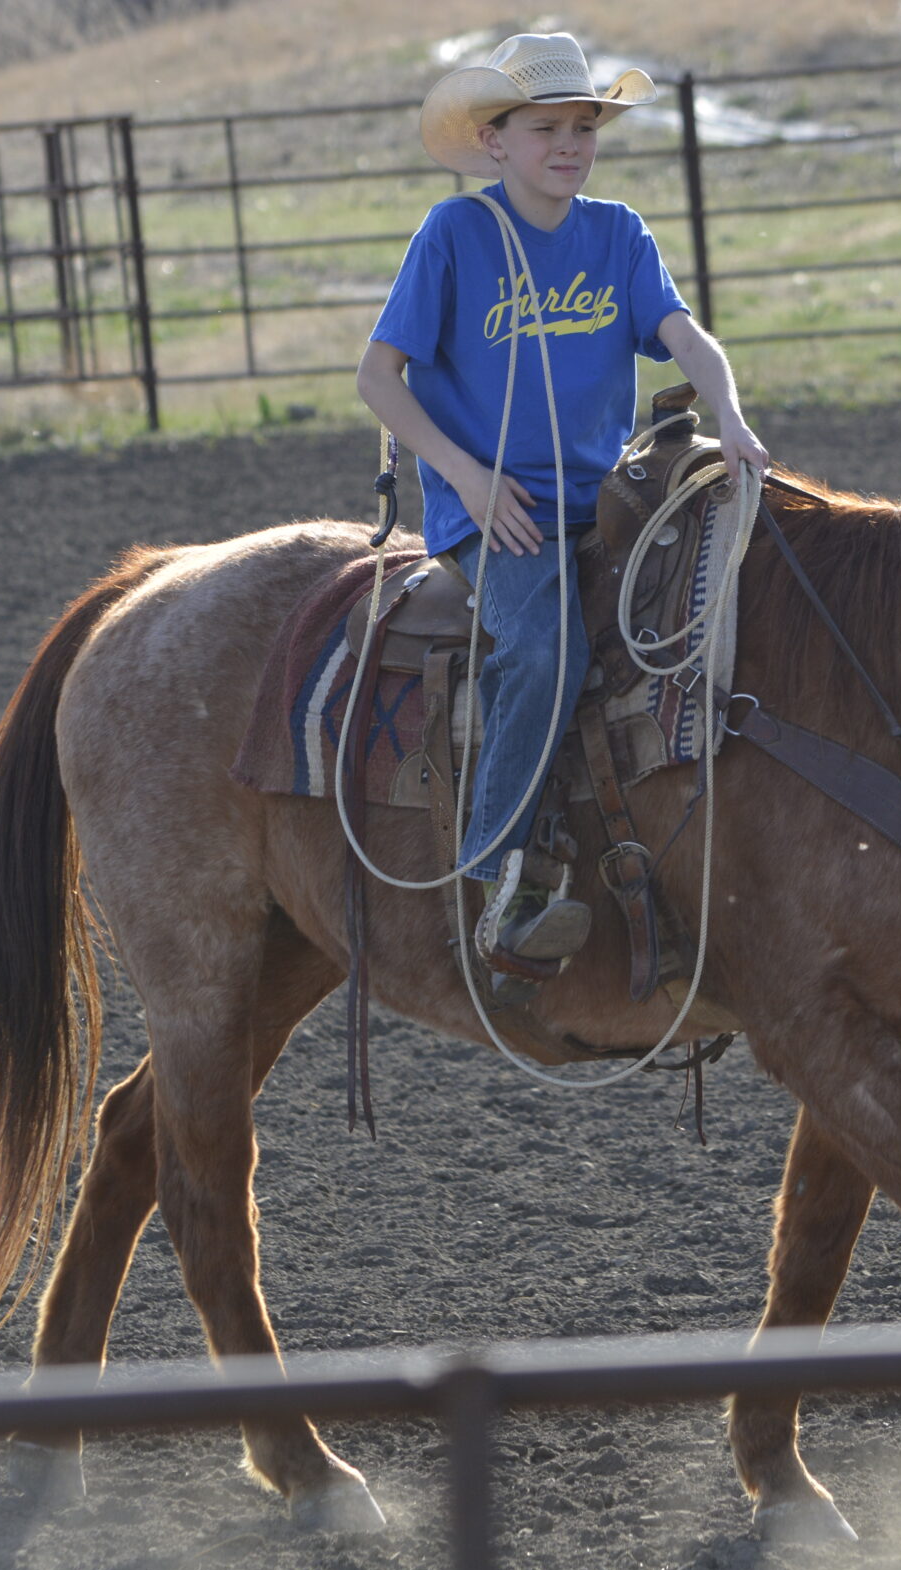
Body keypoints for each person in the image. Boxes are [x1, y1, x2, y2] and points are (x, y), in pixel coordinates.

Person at [357, 32, 769, 981]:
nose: (570, 144)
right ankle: (505, 880)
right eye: (547, 127)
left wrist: (733, 415)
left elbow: (685, 337)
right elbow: (380, 378)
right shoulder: (455, 235)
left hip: (612, 496)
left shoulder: (619, 233)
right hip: (498, 509)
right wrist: (465, 477)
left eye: (583, 126)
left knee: (737, 604)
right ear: (495, 142)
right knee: (545, 648)